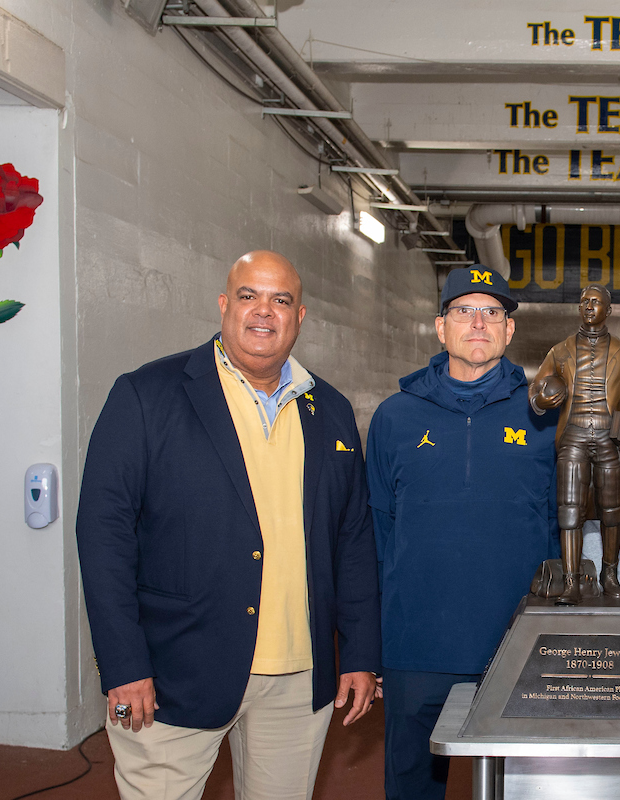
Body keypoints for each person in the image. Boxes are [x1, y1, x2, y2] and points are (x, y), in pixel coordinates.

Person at [77, 251, 380, 800]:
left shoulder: (330, 409)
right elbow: (103, 534)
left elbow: (352, 539)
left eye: (280, 300)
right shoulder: (147, 395)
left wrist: (359, 652)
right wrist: (123, 663)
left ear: (301, 316)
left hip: (296, 675)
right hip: (174, 675)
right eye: (249, 296)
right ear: (224, 305)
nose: (264, 311)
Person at [365, 265, 558, 800]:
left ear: (509, 330)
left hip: (518, 646)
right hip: (415, 647)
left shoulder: (546, 416)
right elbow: (377, 534)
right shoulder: (395, 418)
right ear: (440, 326)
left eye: (491, 313)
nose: (478, 323)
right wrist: (371, 642)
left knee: (520, 789)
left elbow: (562, 531)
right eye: (463, 312)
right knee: (412, 788)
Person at [530, 284, 620, 604]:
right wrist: (542, 398)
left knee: (612, 512)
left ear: (608, 310)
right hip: (573, 435)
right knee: (570, 512)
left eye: (596, 302)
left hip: (610, 437)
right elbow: (536, 389)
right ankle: (571, 582)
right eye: (583, 301)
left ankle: (609, 575)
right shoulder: (560, 351)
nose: (588, 306)